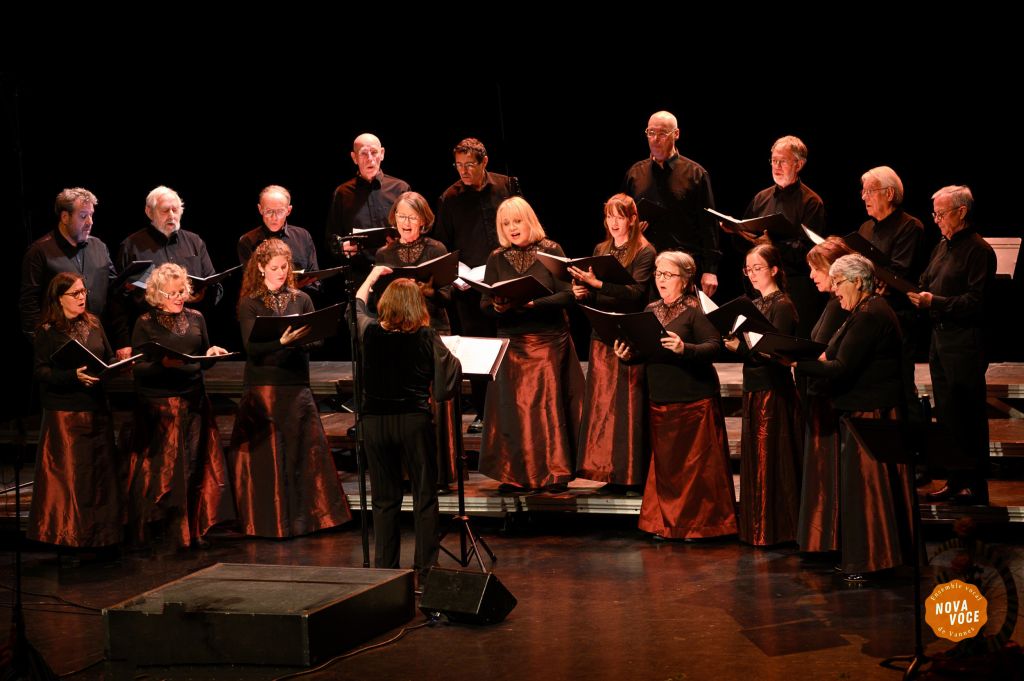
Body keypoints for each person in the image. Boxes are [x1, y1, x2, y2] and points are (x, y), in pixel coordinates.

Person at [796, 255, 914, 582]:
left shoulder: (870, 315)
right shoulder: (861, 311)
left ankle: (871, 561)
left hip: (870, 413)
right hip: (861, 409)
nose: (834, 291)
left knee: (866, 492)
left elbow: (841, 367)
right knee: (858, 492)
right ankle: (867, 559)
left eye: (838, 283)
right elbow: (835, 353)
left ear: (858, 282)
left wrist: (795, 364)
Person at [230, 238, 351, 537]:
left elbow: (318, 339)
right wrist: (281, 342)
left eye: (285, 267)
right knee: (270, 458)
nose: (281, 273)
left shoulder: (301, 299)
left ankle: (306, 520)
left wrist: (301, 340)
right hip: (265, 388)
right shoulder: (250, 302)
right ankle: (269, 522)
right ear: (260, 268)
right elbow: (251, 347)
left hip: (296, 385)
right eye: (274, 268)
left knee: (302, 455)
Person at [613, 251, 735, 539]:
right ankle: (667, 524)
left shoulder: (696, 309)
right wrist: (627, 356)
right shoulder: (651, 308)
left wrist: (685, 349)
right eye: (658, 273)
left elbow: (714, 346)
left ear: (685, 279)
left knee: (696, 471)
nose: (661, 279)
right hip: (661, 398)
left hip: (694, 400)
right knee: (669, 470)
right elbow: (645, 350)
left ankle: (699, 526)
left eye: (668, 274)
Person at [355, 269, 461, 578]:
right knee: (424, 496)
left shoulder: (369, 332)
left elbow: (357, 305)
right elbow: (443, 390)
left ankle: (385, 572)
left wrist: (371, 276)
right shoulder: (427, 336)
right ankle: (426, 568)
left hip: (374, 424)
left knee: (384, 499)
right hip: (413, 422)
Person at [478, 197, 584, 491]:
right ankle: (515, 473)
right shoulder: (496, 257)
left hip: (546, 340)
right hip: (512, 342)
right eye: (506, 223)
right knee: (513, 411)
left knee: (545, 409)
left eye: (517, 221)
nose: (512, 228)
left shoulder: (551, 250)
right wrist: (497, 308)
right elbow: (485, 303)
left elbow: (568, 295)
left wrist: (534, 302)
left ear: (529, 221)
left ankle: (554, 471)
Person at [126, 263, 234, 549]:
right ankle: (162, 531)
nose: (178, 297)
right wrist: (161, 364)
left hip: (194, 401)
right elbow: (138, 369)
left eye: (181, 292)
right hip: (160, 407)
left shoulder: (196, 318)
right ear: (157, 294)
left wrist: (211, 354)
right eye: (172, 293)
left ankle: (192, 530)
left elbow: (202, 358)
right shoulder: (145, 322)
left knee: (193, 468)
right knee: (163, 474)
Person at [910, 185, 997, 506]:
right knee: (947, 414)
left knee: (968, 413)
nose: (936, 220)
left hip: (964, 342)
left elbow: (976, 302)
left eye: (941, 214)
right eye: (934, 214)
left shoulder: (979, 251)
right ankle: (955, 478)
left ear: (962, 212)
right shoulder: (941, 247)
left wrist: (936, 302)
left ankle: (975, 484)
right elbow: (925, 282)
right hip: (940, 340)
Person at [28, 272, 122, 552]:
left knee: (98, 476)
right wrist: (72, 376)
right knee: (71, 479)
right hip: (65, 414)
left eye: (84, 292)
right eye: (75, 294)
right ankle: (68, 538)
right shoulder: (47, 331)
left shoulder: (94, 323)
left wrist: (118, 364)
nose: (82, 298)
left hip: (96, 409)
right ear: (59, 298)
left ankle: (102, 537)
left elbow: (105, 356)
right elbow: (41, 372)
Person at [434, 138, 521, 433]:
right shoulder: (450, 197)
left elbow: (522, 226)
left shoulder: (507, 185)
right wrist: (457, 274)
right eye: (458, 166)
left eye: (469, 165)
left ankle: (516, 408)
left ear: (484, 162)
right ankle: (485, 412)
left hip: (504, 280)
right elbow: (443, 245)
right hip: (469, 287)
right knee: (478, 350)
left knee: (510, 344)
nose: (463, 171)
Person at [374, 192, 458, 491]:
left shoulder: (437, 249)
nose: (405, 223)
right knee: (405, 405)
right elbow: (378, 300)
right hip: (398, 337)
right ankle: (406, 474)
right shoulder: (385, 254)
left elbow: (449, 295)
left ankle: (436, 475)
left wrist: (430, 291)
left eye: (411, 217)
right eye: (400, 217)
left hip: (431, 330)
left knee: (434, 405)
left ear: (424, 220)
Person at [571, 194, 655, 492]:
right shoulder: (602, 249)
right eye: (609, 217)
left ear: (632, 219)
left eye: (620, 216)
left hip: (628, 334)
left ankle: (630, 472)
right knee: (602, 406)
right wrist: (585, 293)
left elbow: (636, 293)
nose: (614, 223)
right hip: (601, 333)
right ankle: (605, 470)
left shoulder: (644, 252)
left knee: (626, 406)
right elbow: (598, 295)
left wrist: (597, 285)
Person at [724, 244, 802, 546]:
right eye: (748, 268)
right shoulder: (755, 304)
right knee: (757, 459)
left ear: (773, 269)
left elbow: (773, 352)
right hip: (754, 386)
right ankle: (757, 526)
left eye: (758, 268)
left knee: (771, 459)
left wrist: (740, 347)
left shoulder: (782, 304)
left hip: (773, 389)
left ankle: (777, 529)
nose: (753, 274)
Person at [857, 166, 929, 429]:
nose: (864, 197)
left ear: (889, 193)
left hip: (898, 319)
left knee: (902, 386)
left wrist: (873, 278)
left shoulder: (910, 227)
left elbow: (900, 271)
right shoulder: (865, 228)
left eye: (870, 191)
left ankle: (916, 458)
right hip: (868, 317)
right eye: (862, 191)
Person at [111, 186, 222, 356]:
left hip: (190, 334)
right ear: (149, 212)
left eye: (175, 209)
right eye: (165, 210)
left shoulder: (194, 242)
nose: (171, 215)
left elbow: (215, 285)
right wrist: (123, 341)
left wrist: (206, 292)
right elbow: (118, 299)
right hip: (150, 334)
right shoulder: (132, 246)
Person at [795, 237, 853, 554]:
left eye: (816, 270)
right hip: (819, 398)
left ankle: (830, 539)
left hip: (830, 401)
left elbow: (832, 355)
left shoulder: (840, 307)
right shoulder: (831, 304)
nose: (812, 276)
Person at [623, 111, 719, 296]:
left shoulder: (695, 174)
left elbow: (709, 226)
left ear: (676, 134)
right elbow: (620, 217)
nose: (655, 139)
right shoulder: (635, 173)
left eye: (662, 133)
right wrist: (632, 229)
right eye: (651, 133)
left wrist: (711, 270)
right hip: (643, 266)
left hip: (683, 266)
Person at [742, 136, 826, 338]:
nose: (776, 166)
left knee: (794, 345)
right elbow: (745, 240)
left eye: (783, 161)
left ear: (799, 164)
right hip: (761, 287)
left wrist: (772, 246)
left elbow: (809, 251)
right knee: (761, 343)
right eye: (773, 160)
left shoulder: (811, 202)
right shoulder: (761, 198)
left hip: (796, 288)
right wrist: (736, 231)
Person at [20, 188, 115, 338]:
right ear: (65, 217)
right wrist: (39, 341)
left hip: (97, 337)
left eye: (91, 215)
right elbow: (29, 303)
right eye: (83, 216)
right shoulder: (39, 251)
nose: (90, 222)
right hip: (60, 340)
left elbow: (113, 287)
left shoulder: (99, 246)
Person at [325, 133, 410, 265]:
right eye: (364, 153)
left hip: (397, 267)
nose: (370, 159)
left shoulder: (400, 189)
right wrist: (341, 247)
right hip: (360, 272)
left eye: (374, 152)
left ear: (382, 154)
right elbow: (332, 238)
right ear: (354, 158)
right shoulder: (342, 193)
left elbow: (416, 228)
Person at [237, 185, 320, 287]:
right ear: (260, 209)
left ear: (288, 211)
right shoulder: (248, 241)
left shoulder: (303, 236)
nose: (274, 217)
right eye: (269, 211)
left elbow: (315, 278)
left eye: (280, 211)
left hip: (302, 299)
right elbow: (251, 284)